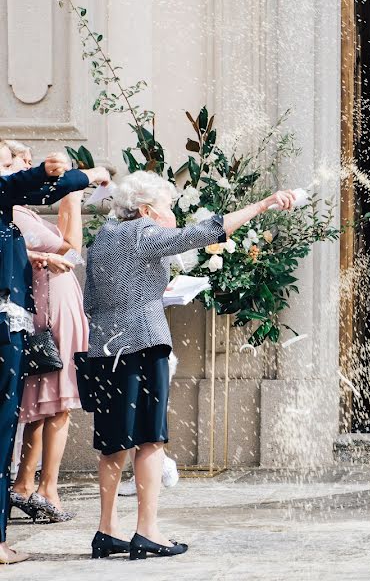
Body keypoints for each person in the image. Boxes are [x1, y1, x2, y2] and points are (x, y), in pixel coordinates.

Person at [84, 171, 295, 560]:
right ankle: (147, 531)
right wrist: (263, 205)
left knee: (112, 443)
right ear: (145, 209)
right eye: (166, 206)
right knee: (151, 439)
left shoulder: (102, 240)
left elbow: (94, 299)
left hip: (103, 350)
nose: (171, 213)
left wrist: (145, 297)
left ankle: (106, 531)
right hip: (143, 346)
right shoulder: (143, 233)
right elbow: (206, 232)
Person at [0, 154, 106, 564]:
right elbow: (71, 247)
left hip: (47, 305)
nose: (25, 161)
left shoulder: (19, 209)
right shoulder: (16, 208)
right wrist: (76, 190)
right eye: (16, 157)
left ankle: (35, 485)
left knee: (48, 406)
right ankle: (37, 486)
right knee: (48, 404)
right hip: (43, 310)